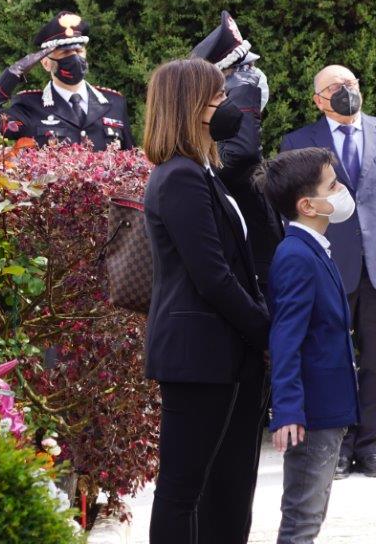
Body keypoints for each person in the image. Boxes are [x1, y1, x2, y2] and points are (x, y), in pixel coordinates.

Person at [141, 58, 270, 544]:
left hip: (220, 355)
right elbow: (212, 276)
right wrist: (265, 330)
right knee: (183, 489)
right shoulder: (179, 177)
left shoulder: (202, 171)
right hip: (197, 356)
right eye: (216, 98)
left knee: (224, 487)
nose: (225, 106)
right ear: (188, 107)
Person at [280, 65, 376, 479]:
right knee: (332, 362)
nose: (346, 91)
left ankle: (372, 447)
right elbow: (288, 214)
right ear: (318, 100)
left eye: (351, 84)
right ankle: (338, 449)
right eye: (335, 87)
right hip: (326, 270)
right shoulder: (298, 142)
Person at [257, 148, 360, 544]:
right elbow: (286, 338)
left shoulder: (312, 248)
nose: (341, 191)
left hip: (326, 408)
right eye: (332, 186)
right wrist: (287, 410)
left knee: (309, 517)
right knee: (302, 520)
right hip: (312, 414)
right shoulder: (297, 255)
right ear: (308, 205)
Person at [190, 10, 284, 296]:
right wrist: (242, 100)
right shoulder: (231, 120)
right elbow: (240, 157)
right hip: (248, 266)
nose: (255, 75)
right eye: (245, 69)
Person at [0, 11, 134, 149]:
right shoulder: (29, 106)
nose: (75, 58)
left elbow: (130, 159)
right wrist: (12, 74)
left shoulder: (114, 103)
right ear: (46, 63)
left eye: (79, 51)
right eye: (65, 53)